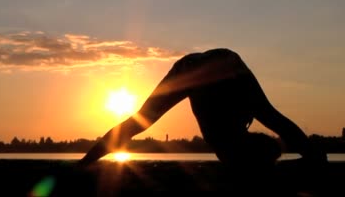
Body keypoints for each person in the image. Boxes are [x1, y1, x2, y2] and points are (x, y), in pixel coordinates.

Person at [79, 48, 327, 169]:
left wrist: (311, 153)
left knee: (142, 120)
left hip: (217, 66)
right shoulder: (236, 121)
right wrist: (312, 155)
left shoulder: (242, 115)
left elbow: (277, 122)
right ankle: (82, 163)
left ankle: (82, 163)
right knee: (142, 120)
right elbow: (277, 121)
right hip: (217, 69)